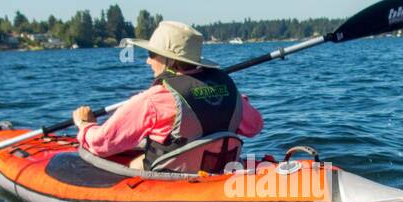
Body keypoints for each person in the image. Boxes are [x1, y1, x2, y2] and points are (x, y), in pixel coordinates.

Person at [72, 20, 263, 172]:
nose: (147, 60)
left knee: (132, 163)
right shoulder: (230, 90)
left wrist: (85, 124)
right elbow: (255, 126)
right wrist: (236, 99)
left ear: (169, 60)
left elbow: (102, 143)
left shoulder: (154, 100)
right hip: (219, 172)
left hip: (173, 180)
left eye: (151, 54)